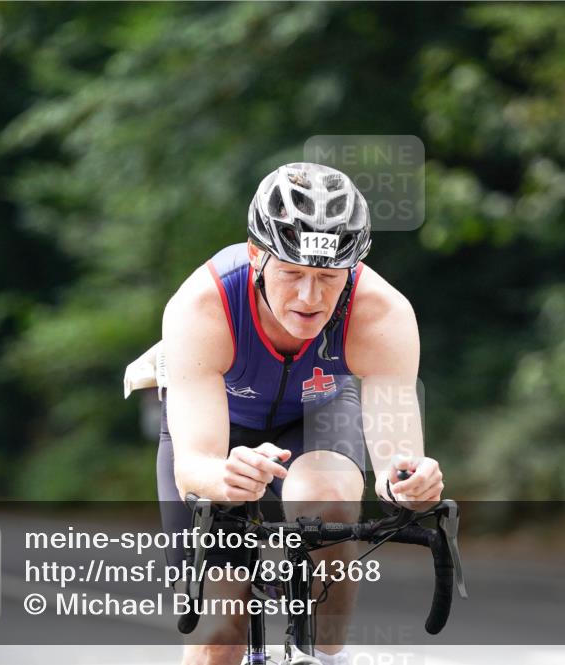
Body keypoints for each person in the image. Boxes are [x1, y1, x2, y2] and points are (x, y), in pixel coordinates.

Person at [141, 162, 444, 665]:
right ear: (257, 256)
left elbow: (398, 460)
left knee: (329, 497)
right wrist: (224, 475)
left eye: (327, 277)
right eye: (292, 273)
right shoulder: (202, 306)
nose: (309, 297)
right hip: (221, 434)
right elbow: (194, 466)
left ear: (351, 270)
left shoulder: (382, 314)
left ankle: (326, 655)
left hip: (318, 415)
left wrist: (409, 482)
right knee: (220, 634)